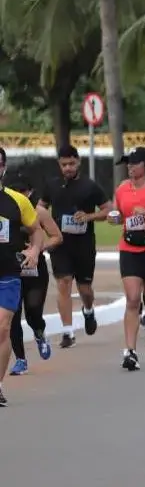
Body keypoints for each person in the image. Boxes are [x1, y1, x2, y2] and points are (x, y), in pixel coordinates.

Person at [40, 145, 112, 348]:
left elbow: (108, 210)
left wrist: (89, 216)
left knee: (85, 289)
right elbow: (40, 207)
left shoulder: (90, 186)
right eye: (64, 164)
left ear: (78, 162)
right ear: (59, 164)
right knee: (63, 283)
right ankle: (67, 332)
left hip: (84, 244)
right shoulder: (52, 185)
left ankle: (88, 310)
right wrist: (44, 225)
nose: (68, 168)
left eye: (71, 164)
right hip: (60, 244)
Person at [107, 148, 145, 370]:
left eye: (135, 163)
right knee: (133, 299)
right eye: (128, 163)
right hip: (129, 248)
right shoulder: (122, 188)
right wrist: (114, 217)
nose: (130, 167)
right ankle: (130, 352)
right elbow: (119, 214)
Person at [6, 171, 61, 375]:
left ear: (30, 192)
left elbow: (57, 236)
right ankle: (21, 359)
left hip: (34, 269)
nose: (21, 195)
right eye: (15, 191)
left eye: (24, 191)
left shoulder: (40, 212)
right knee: (12, 317)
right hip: (10, 268)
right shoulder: (5, 209)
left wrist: (38, 248)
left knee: (33, 311)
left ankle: (39, 332)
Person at [0, 157, 44, 406]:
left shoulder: (17, 201)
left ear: (3, 167)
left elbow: (36, 230)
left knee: (2, 328)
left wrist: (34, 250)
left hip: (7, 274)